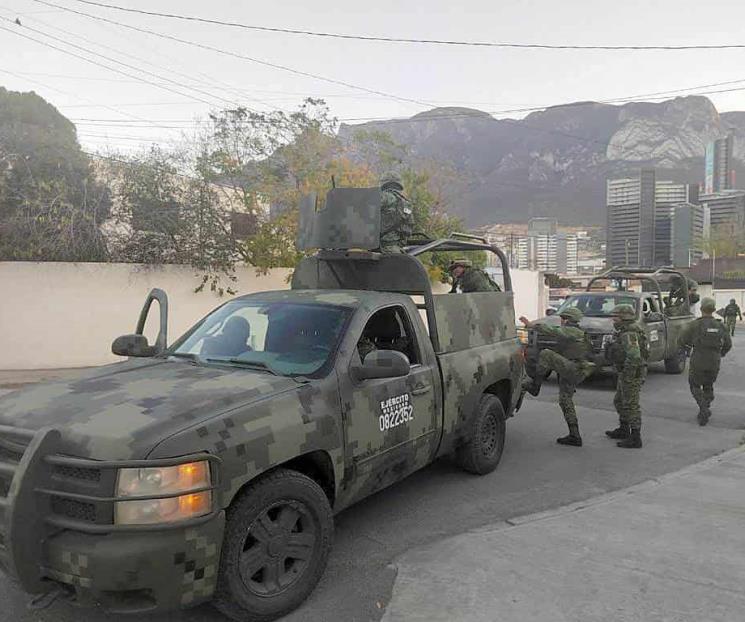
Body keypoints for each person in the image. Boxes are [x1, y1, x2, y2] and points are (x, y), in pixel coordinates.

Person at [519, 307, 595, 447]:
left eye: (562, 319)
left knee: (546, 354)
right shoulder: (580, 333)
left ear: (567, 320)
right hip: (575, 369)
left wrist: (531, 325)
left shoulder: (572, 331)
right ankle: (574, 435)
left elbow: (552, 331)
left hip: (573, 369)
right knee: (565, 400)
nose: (561, 321)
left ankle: (535, 386)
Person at [680, 297, 732, 426]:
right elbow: (728, 344)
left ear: (702, 308)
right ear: (714, 309)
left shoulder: (694, 324)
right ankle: (706, 406)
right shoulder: (721, 325)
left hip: (698, 358)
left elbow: (681, 339)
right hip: (714, 360)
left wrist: (687, 350)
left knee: (694, 384)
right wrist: (721, 353)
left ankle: (703, 408)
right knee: (708, 385)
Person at [605, 304, 648, 448]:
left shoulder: (629, 334)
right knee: (619, 401)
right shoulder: (625, 331)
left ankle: (635, 437)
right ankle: (624, 429)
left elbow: (634, 356)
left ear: (623, 317)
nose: (613, 320)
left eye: (615, 317)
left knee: (631, 404)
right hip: (625, 372)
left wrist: (628, 375)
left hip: (631, 373)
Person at [378, 172, 413, 253]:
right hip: (397, 248)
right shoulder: (407, 203)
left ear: (383, 183)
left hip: (381, 248)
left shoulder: (383, 197)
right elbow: (409, 227)